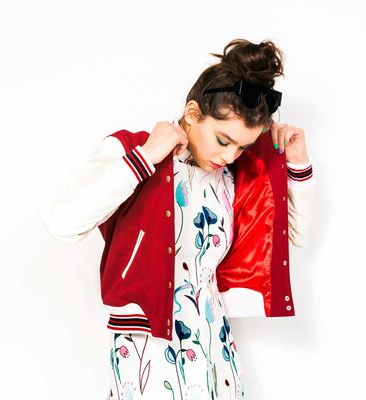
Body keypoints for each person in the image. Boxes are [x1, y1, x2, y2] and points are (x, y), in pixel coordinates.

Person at [38, 38, 315, 400]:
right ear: (192, 112)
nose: (230, 156)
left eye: (242, 147)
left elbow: (294, 235)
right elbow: (60, 221)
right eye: (222, 139)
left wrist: (296, 163)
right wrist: (145, 157)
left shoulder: (234, 178)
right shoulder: (133, 151)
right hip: (149, 345)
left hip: (216, 345)